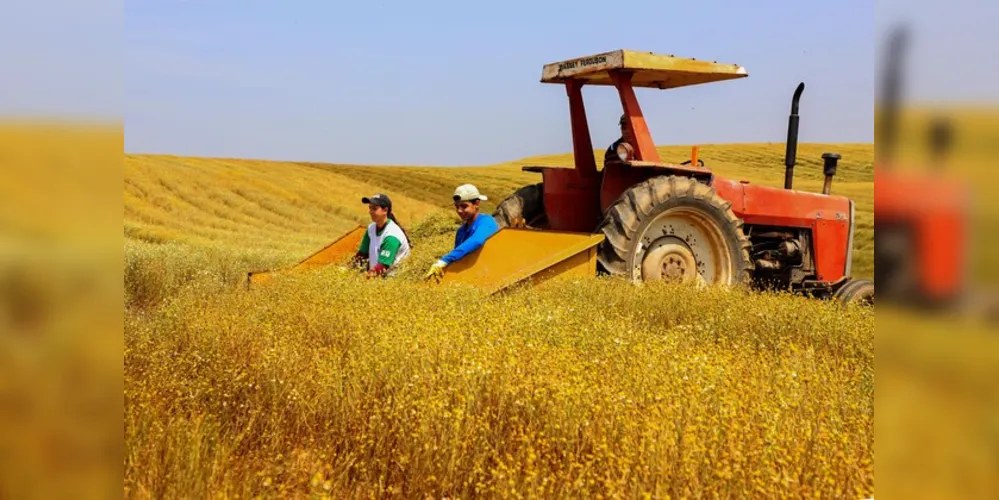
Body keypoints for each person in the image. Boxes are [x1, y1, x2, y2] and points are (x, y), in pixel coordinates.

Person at [424, 184, 499, 281]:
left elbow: (477, 240)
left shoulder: (487, 222)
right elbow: (459, 259)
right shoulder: (461, 231)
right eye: (457, 206)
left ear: (476, 203)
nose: (459, 211)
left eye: (464, 206)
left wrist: (444, 260)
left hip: (490, 276)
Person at [352, 193, 411, 278]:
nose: (371, 212)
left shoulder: (392, 235)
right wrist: (349, 269)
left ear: (385, 210)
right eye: (370, 208)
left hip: (393, 281)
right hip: (376, 278)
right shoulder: (371, 228)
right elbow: (362, 255)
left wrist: (363, 277)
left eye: (374, 209)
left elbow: (383, 266)